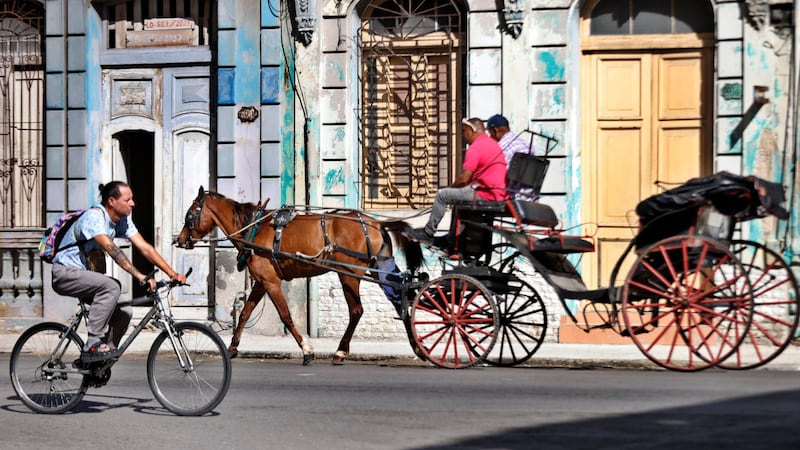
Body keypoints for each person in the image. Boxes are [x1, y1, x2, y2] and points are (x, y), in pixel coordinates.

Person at [51, 181, 186, 362]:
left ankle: (101, 361)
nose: (133, 203)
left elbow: (145, 248)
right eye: (128, 199)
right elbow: (112, 249)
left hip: (83, 274)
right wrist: (140, 276)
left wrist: (172, 274)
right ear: (112, 201)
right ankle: (93, 343)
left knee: (125, 311)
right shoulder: (94, 217)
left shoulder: (122, 221)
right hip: (65, 273)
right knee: (111, 286)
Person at [406, 118, 508, 242]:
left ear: (472, 130)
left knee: (442, 195)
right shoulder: (493, 144)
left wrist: (451, 188)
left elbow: (464, 178)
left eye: (465, 131)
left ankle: (428, 232)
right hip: (496, 192)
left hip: (486, 194)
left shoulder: (476, 147)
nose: (464, 135)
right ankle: (453, 238)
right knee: (457, 198)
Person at [486, 114, 539, 201]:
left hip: (515, 195)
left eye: (490, 133)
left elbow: (497, 176)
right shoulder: (526, 144)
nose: (490, 137)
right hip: (532, 195)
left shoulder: (502, 147)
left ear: (495, 130)